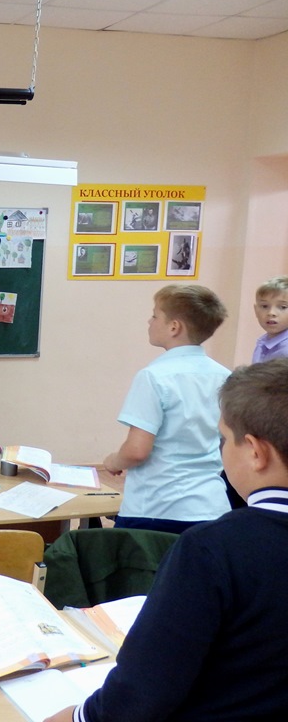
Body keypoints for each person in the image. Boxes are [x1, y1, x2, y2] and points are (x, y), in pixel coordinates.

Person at [45, 359, 288, 722]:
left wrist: (80, 716)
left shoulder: (212, 549)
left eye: (223, 439)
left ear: (255, 451)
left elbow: (141, 694)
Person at [102, 284, 230, 534]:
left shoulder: (153, 377)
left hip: (156, 508)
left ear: (174, 327)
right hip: (211, 507)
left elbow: (137, 451)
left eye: (155, 315)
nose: (149, 321)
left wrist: (114, 461)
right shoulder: (225, 376)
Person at [251, 275, 288, 364]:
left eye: (283, 307)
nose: (271, 313)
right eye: (264, 306)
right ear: (255, 310)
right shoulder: (262, 342)